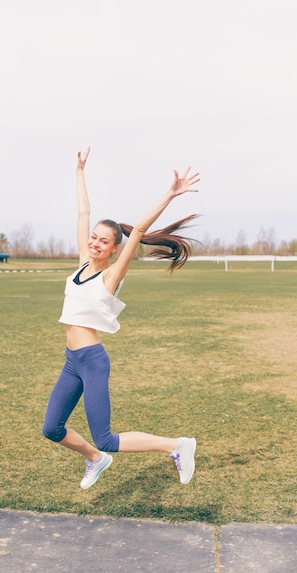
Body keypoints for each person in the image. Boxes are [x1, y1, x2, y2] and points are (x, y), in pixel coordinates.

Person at [43, 147, 200, 489]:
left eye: (103, 241)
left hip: (92, 361)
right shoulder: (83, 262)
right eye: (93, 238)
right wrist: (80, 171)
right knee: (51, 428)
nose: (95, 243)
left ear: (115, 248)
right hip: (72, 360)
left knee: (107, 437)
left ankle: (177, 446)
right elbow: (83, 211)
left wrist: (171, 194)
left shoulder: (111, 276)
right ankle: (96, 461)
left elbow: (140, 228)